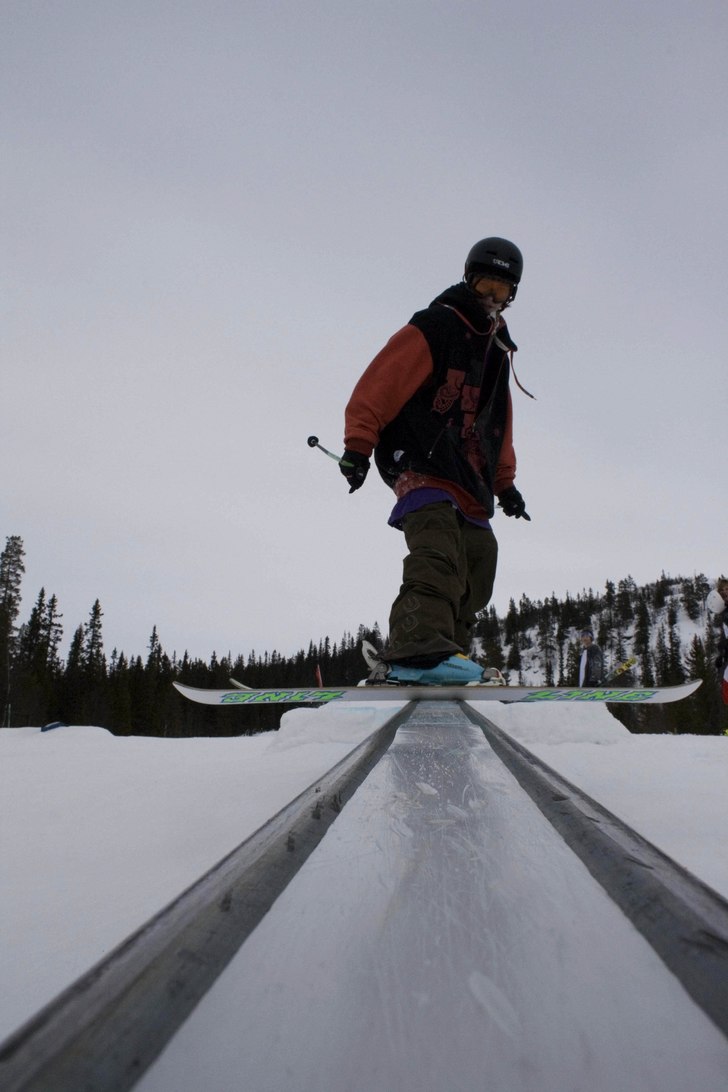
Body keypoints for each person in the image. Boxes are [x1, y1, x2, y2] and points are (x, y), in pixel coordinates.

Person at [340, 237, 532, 685]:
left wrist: (506, 485)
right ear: (469, 279)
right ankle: (417, 649)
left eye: (502, 290)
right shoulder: (436, 325)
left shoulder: (497, 351)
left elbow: (496, 421)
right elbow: (382, 381)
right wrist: (358, 446)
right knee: (438, 545)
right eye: (486, 283)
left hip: (467, 472)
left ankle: (447, 651)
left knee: (480, 558)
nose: (492, 296)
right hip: (421, 459)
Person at [706, 578, 728, 704]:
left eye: (727, 589)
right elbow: (725, 638)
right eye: (723, 591)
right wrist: (722, 654)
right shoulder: (725, 614)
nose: (726, 593)